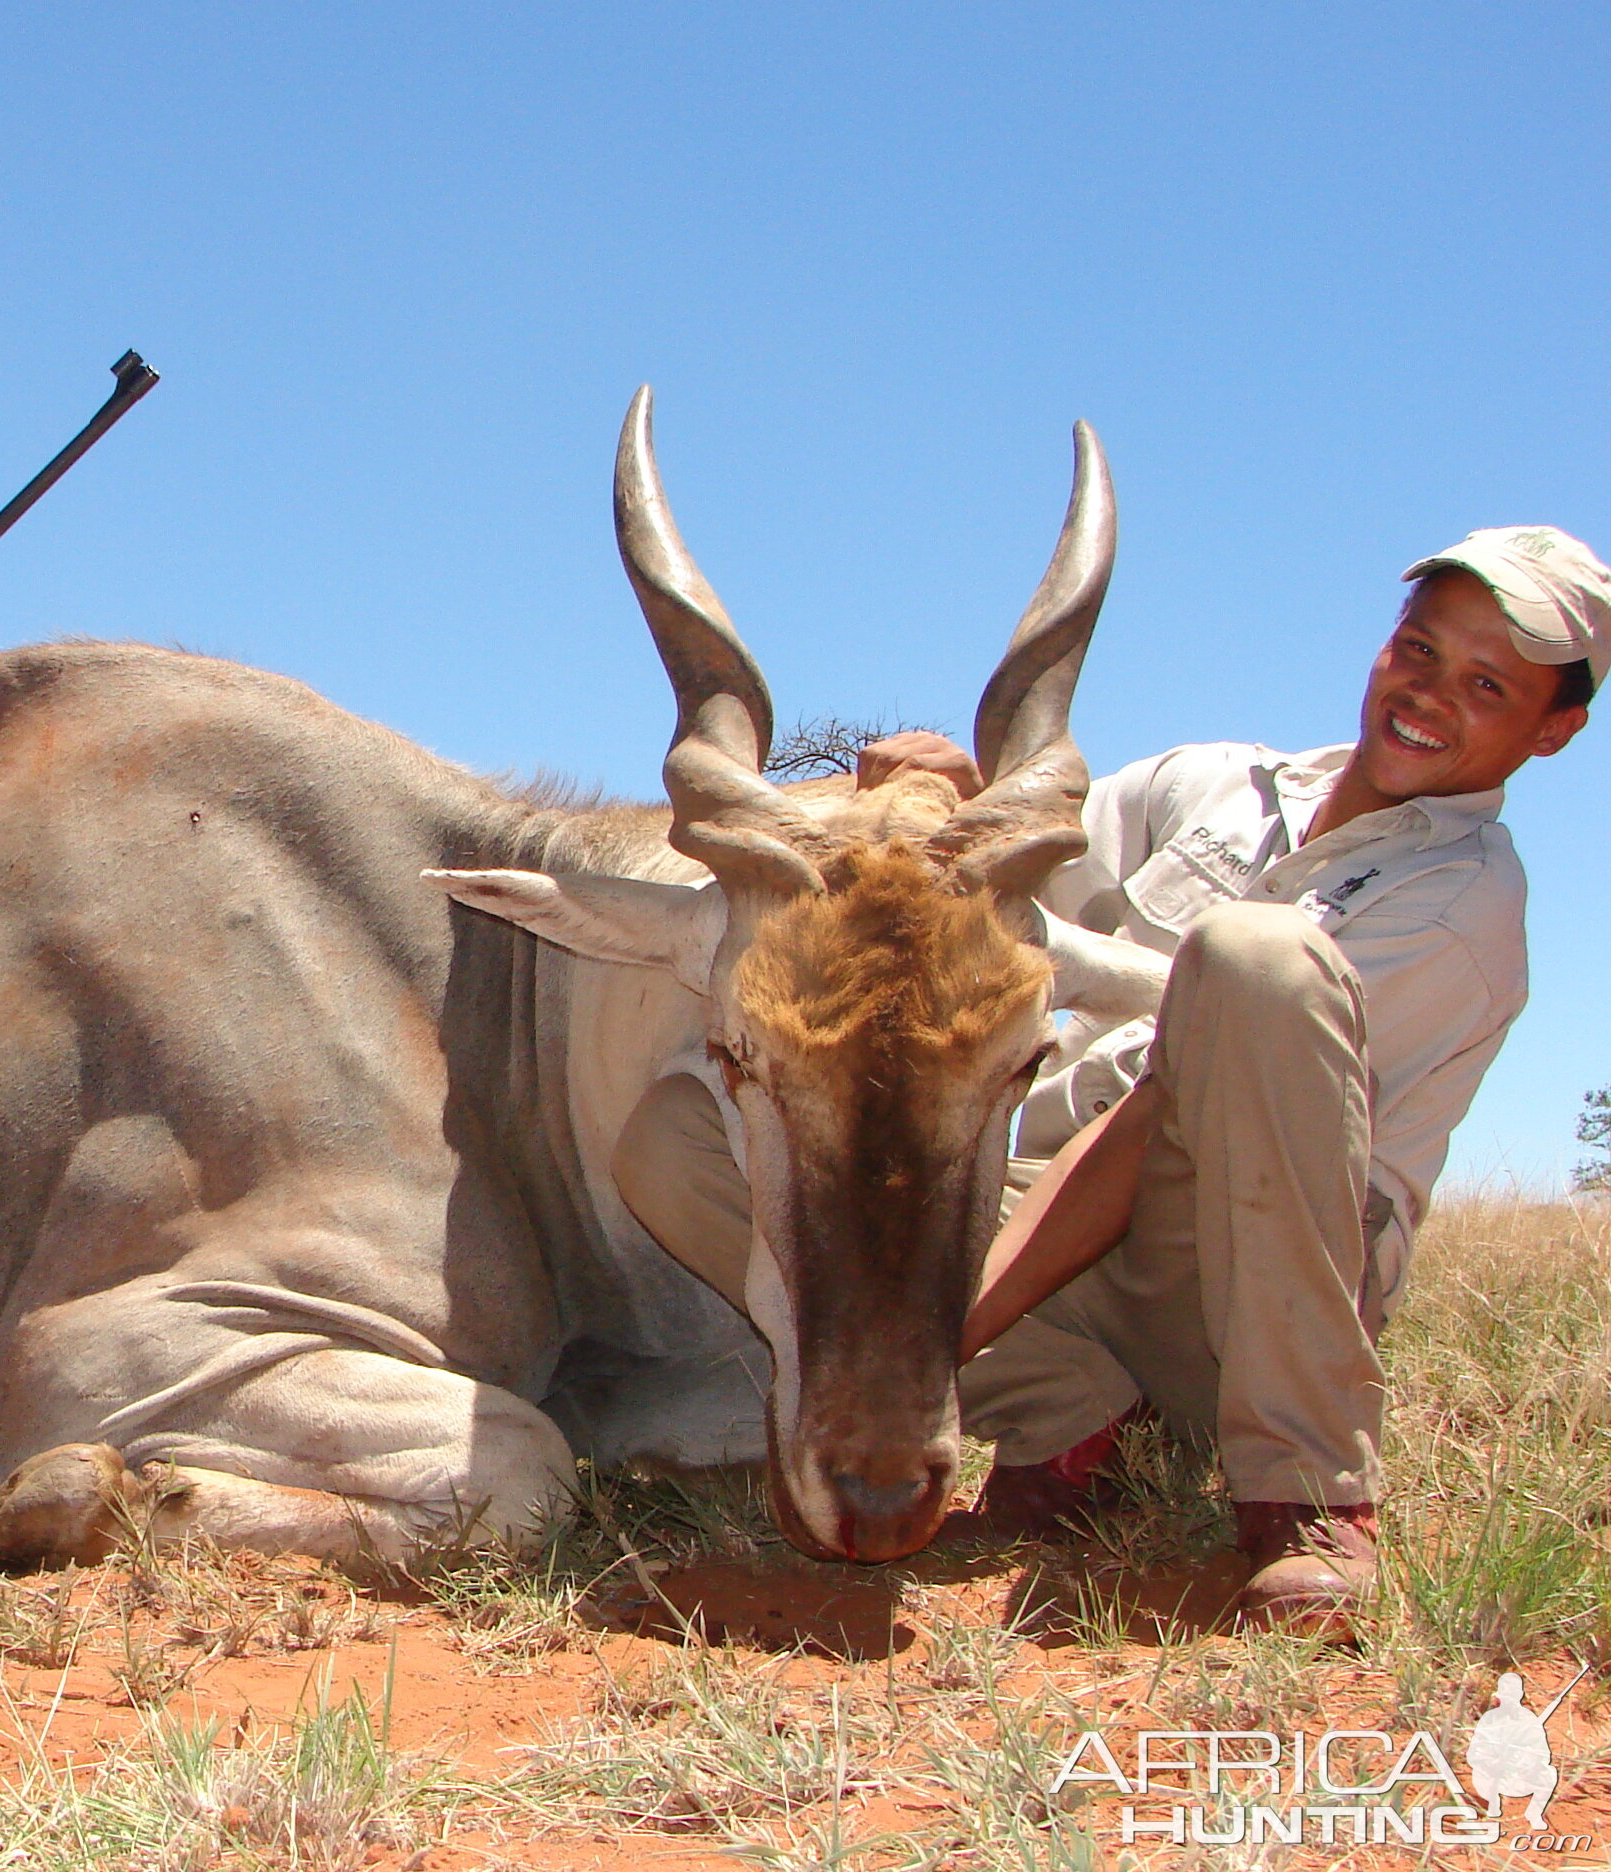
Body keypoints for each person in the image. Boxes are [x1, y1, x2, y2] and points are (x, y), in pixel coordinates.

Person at [613, 525, 1601, 1636]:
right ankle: (1072, 1435)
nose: (1427, 694)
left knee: (1253, 960)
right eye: (1417, 652)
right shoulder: (1214, 784)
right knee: (673, 1141)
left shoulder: (1462, 902)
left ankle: (1306, 1497)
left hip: (1223, 1282)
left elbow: (1145, 1126)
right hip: (1051, 1220)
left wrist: (916, 1348)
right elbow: (1017, 884)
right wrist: (961, 796)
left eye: (1485, 685)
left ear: (1552, 730)